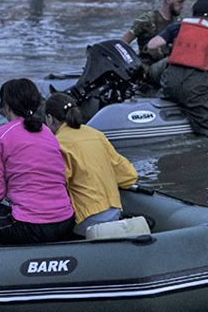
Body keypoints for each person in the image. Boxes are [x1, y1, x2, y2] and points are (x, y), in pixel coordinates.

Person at [0, 79, 74, 244]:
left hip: (30, 227)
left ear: (6, 106)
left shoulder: (0, 136)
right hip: (65, 222)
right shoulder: (48, 133)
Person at [43, 93, 138, 236]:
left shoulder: (57, 143)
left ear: (50, 118)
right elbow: (129, 176)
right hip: (114, 213)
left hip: (86, 220)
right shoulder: (96, 134)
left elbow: (54, 189)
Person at [145, 0, 208, 135]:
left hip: (170, 80)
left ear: (193, 13)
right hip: (194, 85)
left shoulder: (176, 27)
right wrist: (207, 90)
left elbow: (152, 45)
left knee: (166, 91)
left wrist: (157, 54)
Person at [122, 0, 191, 86]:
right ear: (169, 0)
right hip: (149, 68)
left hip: (171, 66)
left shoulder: (179, 22)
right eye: (179, 2)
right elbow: (124, 43)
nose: (183, 6)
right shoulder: (147, 19)